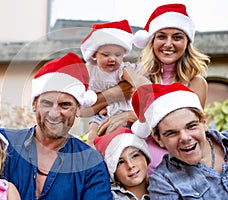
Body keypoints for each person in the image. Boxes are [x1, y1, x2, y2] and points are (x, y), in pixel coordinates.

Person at [0, 52, 113, 199]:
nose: (54, 113)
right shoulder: (0, 143)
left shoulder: (91, 163)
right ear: (34, 104)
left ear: (78, 109)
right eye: (46, 103)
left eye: (64, 105)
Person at [132, 3, 211, 174]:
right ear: (152, 40)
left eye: (177, 37)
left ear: (186, 43)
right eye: (161, 36)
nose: (168, 44)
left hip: (177, 170)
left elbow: (186, 130)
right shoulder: (137, 77)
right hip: (138, 170)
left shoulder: (195, 83)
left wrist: (128, 116)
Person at [131, 83, 228, 198]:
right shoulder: (163, 182)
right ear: (158, 139)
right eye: (172, 133)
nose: (185, 138)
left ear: (204, 122)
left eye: (191, 126)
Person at [80, 19, 150, 146]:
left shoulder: (122, 69)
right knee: (92, 136)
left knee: (125, 140)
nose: (112, 59)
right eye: (106, 54)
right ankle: (93, 160)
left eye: (118, 55)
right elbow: (83, 99)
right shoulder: (90, 71)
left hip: (122, 112)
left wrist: (144, 87)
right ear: (95, 54)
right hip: (101, 115)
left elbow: (136, 80)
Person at [94, 127, 151, 200]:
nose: (130, 165)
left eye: (135, 156)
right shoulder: (107, 195)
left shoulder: (164, 184)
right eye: (120, 162)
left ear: (146, 157)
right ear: (113, 172)